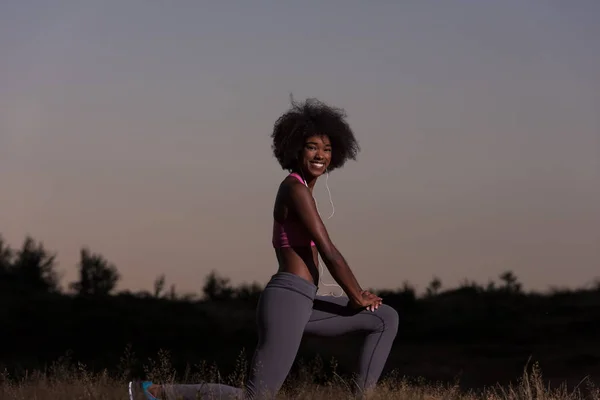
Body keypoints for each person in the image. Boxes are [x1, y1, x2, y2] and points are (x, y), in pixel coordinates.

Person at [129, 98, 399, 399]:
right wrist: (357, 296)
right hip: (288, 300)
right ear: (297, 148)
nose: (320, 154)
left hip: (304, 300)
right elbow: (328, 249)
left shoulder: (304, 190)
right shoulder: (294, 189)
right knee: (256, 397)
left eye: (326, 149)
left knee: (385, 317)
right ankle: (153, 392)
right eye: (312, 146)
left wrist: (357, 300)